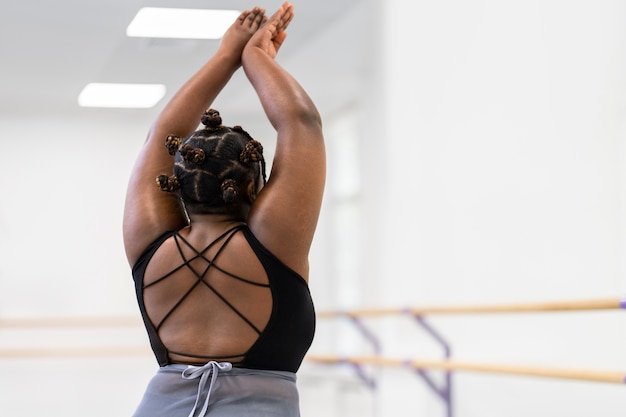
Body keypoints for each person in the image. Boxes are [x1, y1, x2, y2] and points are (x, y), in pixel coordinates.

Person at [122, 3, 325, 416]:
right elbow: (300, 122)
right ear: (254, 187)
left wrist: (225, 56)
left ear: (176, 186)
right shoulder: (275, 243)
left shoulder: (149, 243)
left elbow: (161, 134)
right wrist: (254, 57)